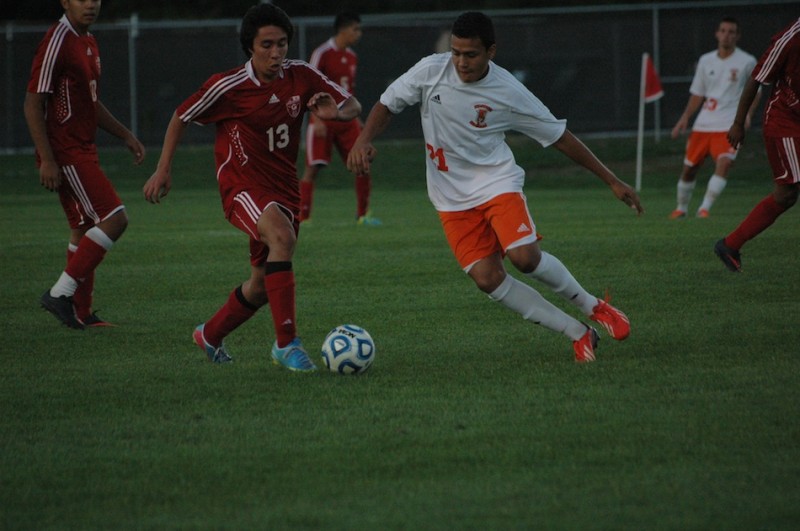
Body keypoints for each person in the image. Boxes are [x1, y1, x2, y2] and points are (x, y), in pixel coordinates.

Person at [347, 11, 644, 362]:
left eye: (470, 54)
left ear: (491, 52)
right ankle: (578, 333)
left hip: (496, 183)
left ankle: (596, 307)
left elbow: (559, 136)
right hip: (449, 197)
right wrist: (364, 139)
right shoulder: (431, 70)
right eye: (456, 52)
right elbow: (387, 103)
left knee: (524, 257)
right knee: (487, 278)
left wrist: (611, 179)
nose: (461, 62)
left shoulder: (508, 92)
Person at [143, 4, 361, 370]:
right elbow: (181, 115)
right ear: (250, 48)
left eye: (282, 44)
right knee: (282, 237)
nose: (276, 53)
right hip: (241, 186)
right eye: (267, 45)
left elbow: (352, 104)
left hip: (284, 188)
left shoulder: (302, 75)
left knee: (261, 285)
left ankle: (209, 334)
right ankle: (286, 343)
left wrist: (335, 113)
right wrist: (163, 168)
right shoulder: (228, 86)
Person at [24, 0, 146, 330]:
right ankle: (60, 294)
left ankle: (81, 313)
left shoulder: (87, 40)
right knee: (115, 219)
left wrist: (124, 134)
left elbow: (90, 101)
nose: (90, 4)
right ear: (65, 2)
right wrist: (47, 159)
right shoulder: (57, 40)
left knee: (82, 227)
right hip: (65, 153)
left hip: (82, 149)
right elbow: (32, 102)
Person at [715, 17, 800, 273]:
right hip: (785, 121)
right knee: (788, 191)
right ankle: (730, 244)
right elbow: (756, 79)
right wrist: (739, 123)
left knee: (786, 196)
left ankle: (730, 245)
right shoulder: (791, 39)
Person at [669, 16, 760, 220]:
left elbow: (756, 92)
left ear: (737, 36)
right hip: (704, 124)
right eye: (723, 30)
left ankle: (704, 209)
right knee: (689, 169)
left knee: (725, 162)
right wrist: (685, 118)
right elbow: (698, 93)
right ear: (717, 34)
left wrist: (746, 116)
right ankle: (681, 208)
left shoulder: (747, 61)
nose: (727, 35)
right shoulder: (705, 60)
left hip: (729, 124)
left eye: (731, 31)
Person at [298, 11, 380, 226]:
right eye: (355, 29)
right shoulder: (322, 53)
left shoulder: (352, 56)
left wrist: (357, 118)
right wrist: (316, 120)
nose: (358, 33)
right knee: (312, 168)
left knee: (361, 161)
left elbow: (349, 91)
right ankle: (303, 217)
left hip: (346, 119)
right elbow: (310, 83)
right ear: (343, 30)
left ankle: (363, 215)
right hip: (323, 119)